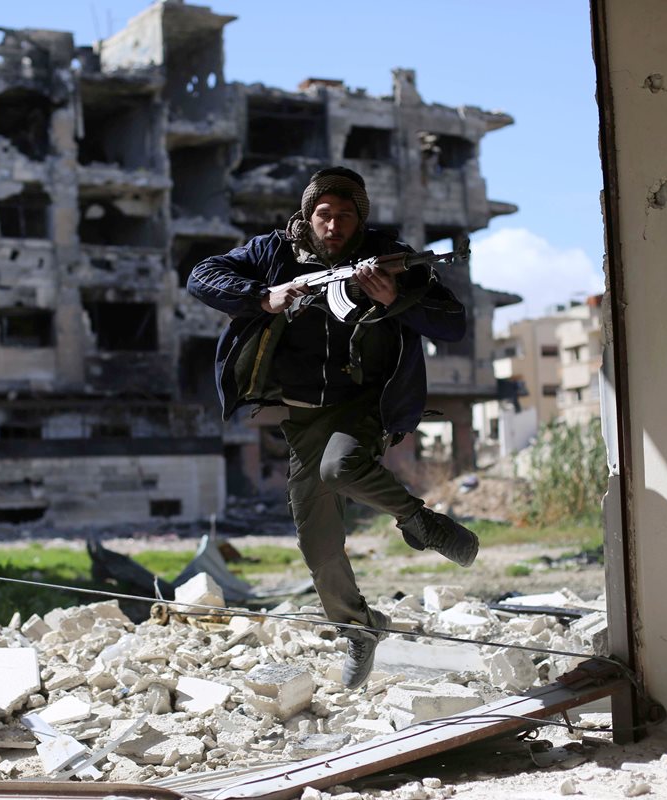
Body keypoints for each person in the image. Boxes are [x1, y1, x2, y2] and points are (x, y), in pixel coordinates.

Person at [186, 166, 479, 689]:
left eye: (346, 216)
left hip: (364, 404)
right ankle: (359, 627)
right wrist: (264, 296)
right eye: (324, 214)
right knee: (317, 543)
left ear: (360, 220)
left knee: (340, 467)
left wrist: (393, 299)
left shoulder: (389, 256)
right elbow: (202, 276)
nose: (334, 225)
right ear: (308, 215)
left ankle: (419, 521)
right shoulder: (273, 252)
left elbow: (453, 323)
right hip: (302, 414)